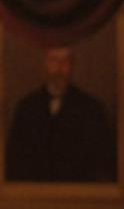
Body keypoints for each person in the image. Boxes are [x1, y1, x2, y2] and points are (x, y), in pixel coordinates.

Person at [6, 46, 115, 182]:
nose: (59, 68)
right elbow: (15, 158)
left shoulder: (92, 109)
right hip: (33, 190)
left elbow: (101, 160)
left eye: (65, 61)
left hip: (79, 190)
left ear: (72, 65)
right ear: (45, 64)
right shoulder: (26, 108)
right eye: (54, 60)